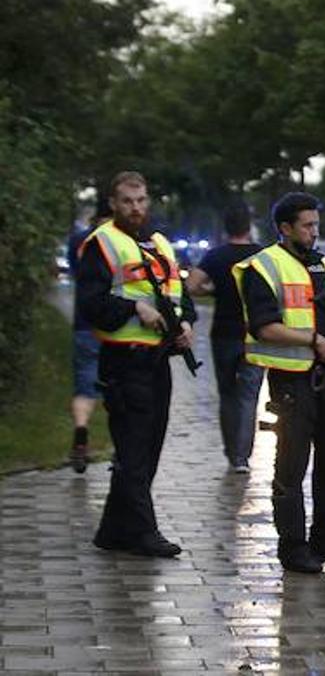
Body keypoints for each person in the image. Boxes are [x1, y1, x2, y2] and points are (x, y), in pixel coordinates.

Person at [235, 192, 325, 574]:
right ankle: (293, 548)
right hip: (291, 382)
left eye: (316, 225)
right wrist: (313, 340)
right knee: (291, 467)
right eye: (307, 226)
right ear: (285, 228)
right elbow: (264, 327)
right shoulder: (263, 266)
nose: (314, 232)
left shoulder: (323, 264)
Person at [77, 171, 196, 558]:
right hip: (124, 363)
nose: (136, 208)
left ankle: (113, 532)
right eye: (128, 201)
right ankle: (145, 533)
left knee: (149, 446)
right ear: (113, 203)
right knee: (133, 451)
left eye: (142, 200)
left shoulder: (159, 243)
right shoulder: (101, 243)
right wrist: (134, 308)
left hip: (158, 361)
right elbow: (91, 305)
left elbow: (177, 293)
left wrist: (187, 324)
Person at [187, 202, 263, 473]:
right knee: (249, 395)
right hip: (255, 333)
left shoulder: (216, 257)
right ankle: (242, 456)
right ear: (249, 226)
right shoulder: (262, 255)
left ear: (226, 227)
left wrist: (213, 289)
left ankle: (232, 451)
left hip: (223, 334)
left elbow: (191, 285)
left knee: (227, 394)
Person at [66, 196, 113, 474]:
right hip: (117, 327)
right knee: (116, 389)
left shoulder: (79, 241)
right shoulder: (121, 242)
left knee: (84, 386)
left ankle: (81, 430)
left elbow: (75, 272)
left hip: (84, 323)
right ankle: (119, 447)